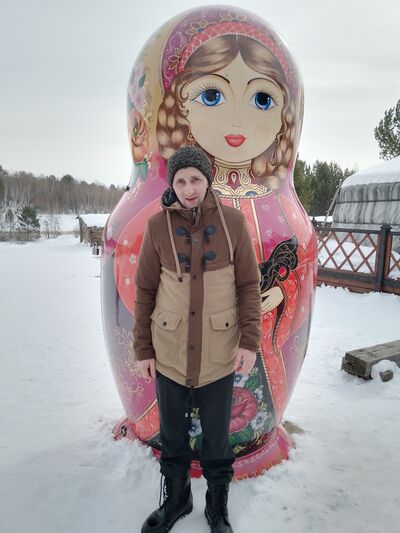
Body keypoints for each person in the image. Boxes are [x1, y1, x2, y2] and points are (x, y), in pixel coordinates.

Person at [133, 146, 261, 533]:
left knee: (217, 442)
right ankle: (177, 499)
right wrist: (143, 348)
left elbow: (249, 286)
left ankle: (216, 507)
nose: (189, 188)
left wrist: (249, 341)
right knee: (173, 438)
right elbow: (145, 290)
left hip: (218, 356)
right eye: (181, 181)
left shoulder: (233, 223)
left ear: (208, 180)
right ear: (172, 184)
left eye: (196, 179)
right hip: (169, 354)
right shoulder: (157, 227)